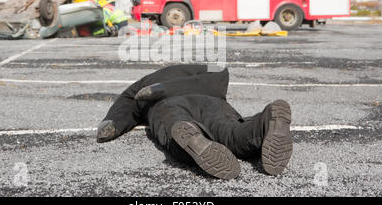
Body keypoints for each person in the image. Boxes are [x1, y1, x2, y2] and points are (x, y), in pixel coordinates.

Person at [96, 65, 293, 179]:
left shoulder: (143, 84)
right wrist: (111, 124)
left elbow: (125, 103)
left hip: (168, 105)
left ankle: (195, 140)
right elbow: (220, 73)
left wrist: (111, 125)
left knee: (175, 128)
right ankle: (265, 123)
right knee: (232, 133)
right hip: (212, 101)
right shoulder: (193, 69)